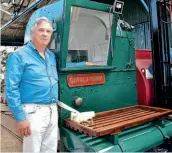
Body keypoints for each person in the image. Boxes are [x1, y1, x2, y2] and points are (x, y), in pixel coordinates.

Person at [5, 17, 58, 153]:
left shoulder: (51, 56)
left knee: (50, 150)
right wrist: (20, 117)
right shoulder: (19, 55)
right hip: (33, 112)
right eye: (41, 30)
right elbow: (11, 89)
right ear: (32, 32)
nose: (45, 34)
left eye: (48, 31)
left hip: (52, 110)